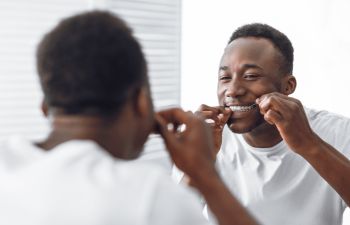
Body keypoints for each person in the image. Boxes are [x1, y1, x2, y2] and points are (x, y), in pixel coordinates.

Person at [0, 11, 258, 225]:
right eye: (225, 77)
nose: (233, 90)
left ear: (45, 107)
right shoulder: (148, 196)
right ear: (141, 102)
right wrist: (205, 174)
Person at [195, 23, 350, 225]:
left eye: (250, 76)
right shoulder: (205, 138)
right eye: (225, 77)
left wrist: (309, 144)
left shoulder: (338, 132)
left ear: (288, 86)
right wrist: (197, 161)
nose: (232, 90)